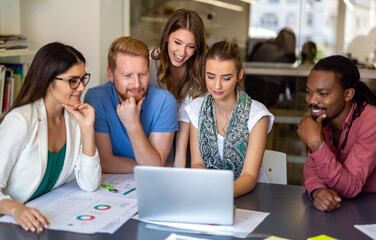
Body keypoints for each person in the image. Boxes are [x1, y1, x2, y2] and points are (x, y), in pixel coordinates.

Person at [0, 42, 101, 232]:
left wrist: (87, 130)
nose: (81, 88)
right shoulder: (20, 121)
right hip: (13, 223)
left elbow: (90, 184)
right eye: (73, 80)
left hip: (46, 220)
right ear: (48, 81)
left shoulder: (74, 119)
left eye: (83, 78)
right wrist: (16, 209)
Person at [186, 41, 274, 198]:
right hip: (209, 193)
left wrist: (219, 195)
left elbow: (249, 176)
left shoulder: (257, 115)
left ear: (239, 75)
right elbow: (197, 164)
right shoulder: (196, 108)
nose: (217, 86)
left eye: (226, 78)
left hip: (251, 196)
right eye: (211, 77)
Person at [84, 36, 178, 173]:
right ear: (110, 74)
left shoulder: (164, 101)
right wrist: (156, 166)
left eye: (142, 74)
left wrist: (133, 125)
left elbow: (154, 167)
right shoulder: (97, 98)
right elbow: (104, 162)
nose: (136, 84)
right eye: (127, 76)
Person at [297, 55, 376, 212]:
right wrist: (318, 190)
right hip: (342, 207)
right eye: (309, 91)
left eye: (323, 93)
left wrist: (316, 145)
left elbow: (351, 187)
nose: (312, 100)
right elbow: (312, 169)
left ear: (348, 94)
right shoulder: (322, 118)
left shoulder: (371, 121)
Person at [150, 8, 207, 167]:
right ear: (167, 36)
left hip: (190, 139)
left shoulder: (202, 71)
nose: (181, 52)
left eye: (191, 46)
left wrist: (179, 167)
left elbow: (185, 119)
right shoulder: (150, 64)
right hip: (154, 135)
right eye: (177, 42)